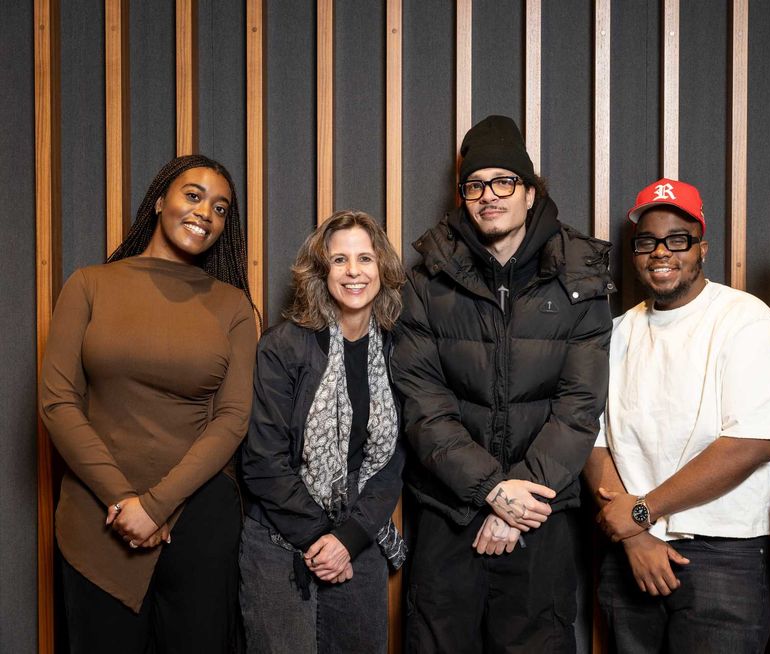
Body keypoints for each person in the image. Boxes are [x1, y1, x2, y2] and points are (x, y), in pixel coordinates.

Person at [391, 114, 614, 652]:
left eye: (504, 182)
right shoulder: (426, 281)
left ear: (530, 193)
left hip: (542, 515)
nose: (489, 196)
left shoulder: (582, 277)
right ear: (463, 195)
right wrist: (491, 491)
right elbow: (423, 406)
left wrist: (519, 505)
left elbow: (579, 406)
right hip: (449, 513)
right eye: (475, 185)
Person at [40, 154, 258, 651]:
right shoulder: (89, 285)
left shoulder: (233, 306)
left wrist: (156, 506)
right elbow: (58, 402)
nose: (206, 212)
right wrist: (122, 501)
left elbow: (232, 419)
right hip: (98, 517)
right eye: (194, 195)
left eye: (221, 208)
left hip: (198, 521)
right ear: (160, 200)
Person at [585, 177, 770, 653]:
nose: (661, 252)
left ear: (702, 248)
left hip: (724, 554)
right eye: (647, 242)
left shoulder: (743, 319)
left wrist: (642, 512)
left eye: (678, 240)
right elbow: (592, 439)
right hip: (630, 553)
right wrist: (635, 536)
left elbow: (754, 441)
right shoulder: (616, 333)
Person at [239, 210, 407, 653]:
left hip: (357, 537)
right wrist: (321, 539)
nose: (354, 271)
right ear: (320, 272)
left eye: (365, 259)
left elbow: (392, 464)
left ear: (382, 270)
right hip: (279, 540)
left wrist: (346, 540)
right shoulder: (283, 345)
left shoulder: (398, 350)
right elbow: (262, 462)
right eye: (339, 260)